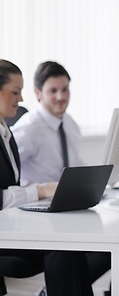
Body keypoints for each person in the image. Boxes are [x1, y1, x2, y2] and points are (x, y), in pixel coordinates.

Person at [12, 61, 119, 296]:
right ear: (37, 93)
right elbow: (10, 171)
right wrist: (33, 188)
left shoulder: (70, 124)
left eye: (65, 89)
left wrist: (102, 181)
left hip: (68, 207)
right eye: (53, 91)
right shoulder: (28, 129)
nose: (61, 96)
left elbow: (75, 167)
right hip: (43, 213)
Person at [0, 59, 94, 296]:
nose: (21, 100)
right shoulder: (26, 130)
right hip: (8, 229)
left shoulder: (6, 133)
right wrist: (40, 190)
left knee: (71, 244)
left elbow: (11, 183)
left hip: (13, 222)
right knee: (64, 245)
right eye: (15, 92)